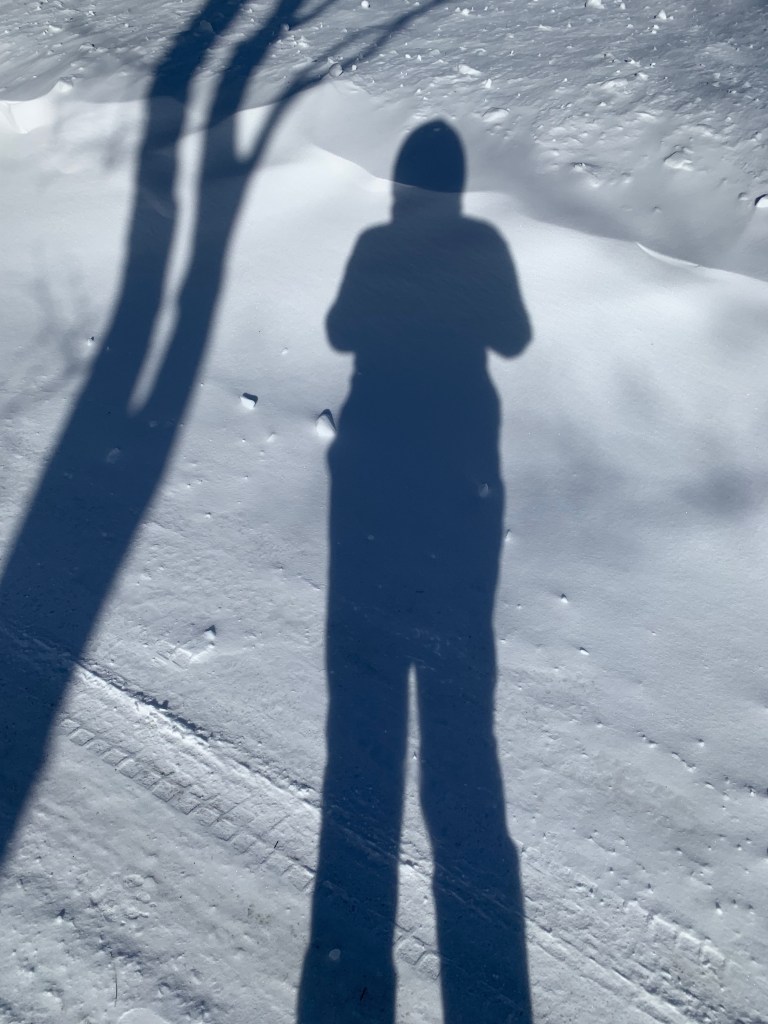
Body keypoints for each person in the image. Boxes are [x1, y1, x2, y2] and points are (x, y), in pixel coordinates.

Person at [298, 120, 534, 1024]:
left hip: (378, 459)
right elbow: (513, 338)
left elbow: (339, 330)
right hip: (461, 458)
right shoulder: (483, 242)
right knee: (458, 670)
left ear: (401, 185)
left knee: (362, 672)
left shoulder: (373, 241)